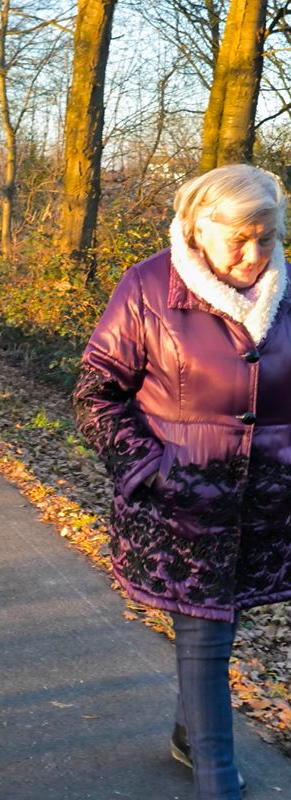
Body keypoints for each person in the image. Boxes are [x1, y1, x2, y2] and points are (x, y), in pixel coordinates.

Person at [73, 163, 291, 800]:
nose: (254, 255)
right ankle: (218, 781)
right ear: (198, 229)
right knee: (205, 634)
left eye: (268, 238)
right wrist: (151, 470)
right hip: (182, 504)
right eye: (239, 239)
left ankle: (186, 733)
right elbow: (95, 395)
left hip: (269, 504)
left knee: (219, 624)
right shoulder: (147, 286)